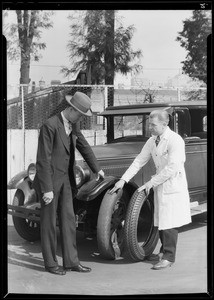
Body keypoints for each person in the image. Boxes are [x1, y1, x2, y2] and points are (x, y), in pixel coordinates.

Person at [33, 91, 105, 275]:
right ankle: (50, 264)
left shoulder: (73, 124)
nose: (81, 118)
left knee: (68, 220)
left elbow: (83, 146)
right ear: (71, 109)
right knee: (49, 223)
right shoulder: (49, 126)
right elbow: (43, 160)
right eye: (80, 114)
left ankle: (71, 262)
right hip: (49, 181)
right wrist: (47, 189)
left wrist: (97, 168)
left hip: (66, 180)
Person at [110, 109, 191, 270]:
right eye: (149, 124)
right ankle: (163, 252)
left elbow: (172, 168)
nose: (150, 128)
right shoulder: (152, 140)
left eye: (153, 125)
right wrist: (123, 180)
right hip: (160, 184)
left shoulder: (175, 140)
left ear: (164, 124)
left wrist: (150, 183)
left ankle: (169, 257)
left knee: (169, 222)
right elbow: (139, 161)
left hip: (173, 184)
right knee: (160, 220)